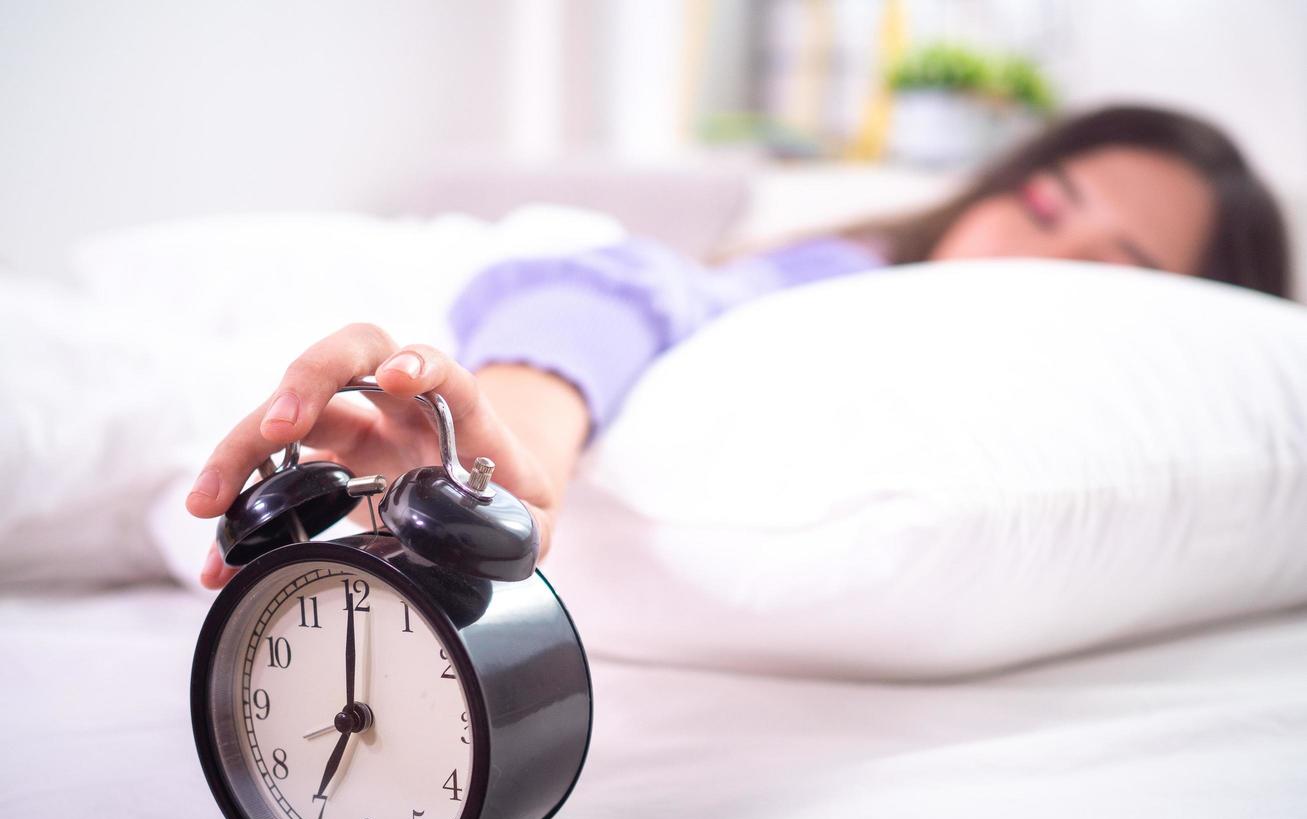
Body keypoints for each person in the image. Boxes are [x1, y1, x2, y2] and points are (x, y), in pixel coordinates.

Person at [186, 105, 1293, 588]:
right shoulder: (843, 274)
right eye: (1044, 203)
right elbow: (622, 286)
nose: (1033, 250)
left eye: (1110, 267)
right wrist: (502, 459)